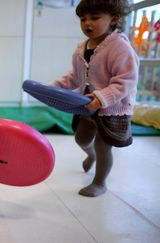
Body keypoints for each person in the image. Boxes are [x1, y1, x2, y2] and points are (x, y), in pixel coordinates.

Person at [52, 0, 139, 197]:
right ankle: (90, 156)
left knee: (102, 145)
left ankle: (100, 183)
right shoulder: (82, 48)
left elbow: (126, 80)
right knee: (81, 138)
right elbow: (75, 75)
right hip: (86, 105)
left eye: (95, 18)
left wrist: (102, 97)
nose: (87, 23)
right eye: (83, 19)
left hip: (112, 106)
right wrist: (55, 87)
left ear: (114, 19)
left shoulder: (119, 47)